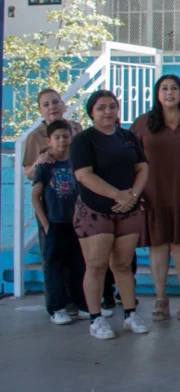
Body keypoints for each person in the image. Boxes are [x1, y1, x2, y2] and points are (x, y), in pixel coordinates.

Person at [71, 90, 150, 340]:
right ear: (91, 112)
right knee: (96, 265)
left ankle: (130, 314)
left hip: (128, 210)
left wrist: (133, 196)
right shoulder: (83, 140)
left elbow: (142, 167)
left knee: (123, 265)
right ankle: (96, 320)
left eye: (112, 106)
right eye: (102, 107)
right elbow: (84, 175)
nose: (108, 112)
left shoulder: (128, 137)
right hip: (95, 211)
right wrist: (118, 195)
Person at [131, 74, 180, 322]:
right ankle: (161, 298)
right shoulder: (144, 123)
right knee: (159, 245)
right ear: (157, 94)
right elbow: (130, 157)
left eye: (174, 88)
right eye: (164, 88)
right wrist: (134, 191)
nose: (169, 92)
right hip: (153, 193)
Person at [31, 119, 88, 325]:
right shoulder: (45, 165)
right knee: (54, 266)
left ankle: (82, 304)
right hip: (55, 223)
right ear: (49, 140)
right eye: (57, 137)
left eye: (65, 136)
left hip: (76, 223)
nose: (62, 141)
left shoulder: (76, 161)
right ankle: (57, 308)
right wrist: (45, 223)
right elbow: (35, 195)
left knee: (78, 265)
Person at [23, 89, 84, 182]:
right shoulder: (35, 136)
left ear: (63, 105)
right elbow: (29, 174)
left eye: (55, 102)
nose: (52, 107)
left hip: (78, 187)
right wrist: (37, 163)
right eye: (46, 105)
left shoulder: (76, 127)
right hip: (51, 191)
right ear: (40, 111)